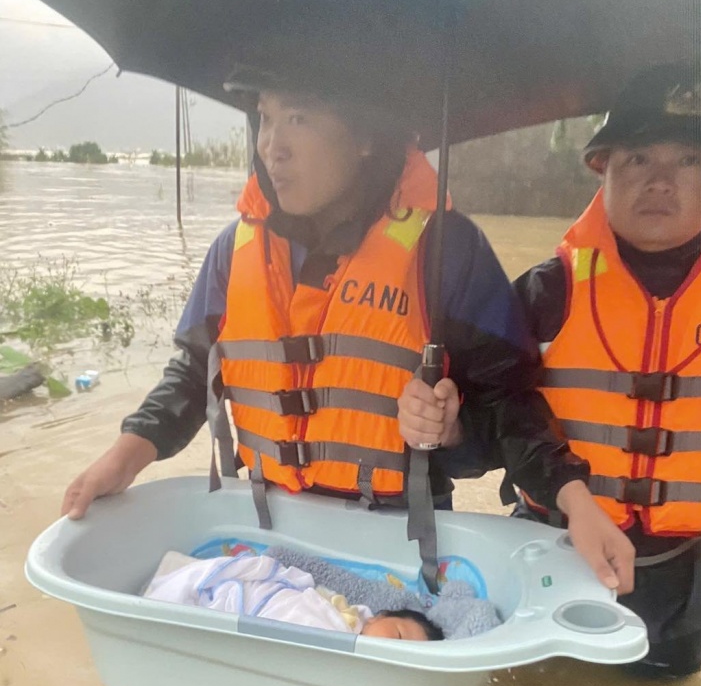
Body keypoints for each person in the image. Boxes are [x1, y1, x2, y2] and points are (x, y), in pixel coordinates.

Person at [62, 80, 633, 592]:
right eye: (266, 118)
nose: (272, 146)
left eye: (300, 118)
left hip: (396, 551)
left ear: (363, 136)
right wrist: (123, 458)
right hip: (264, 536)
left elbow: (507, 411)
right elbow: (191, 376)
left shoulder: (447, 251)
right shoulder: (232, 251)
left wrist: (457, 431)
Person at [401, 61, 701, 677]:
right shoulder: (541, 294)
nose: (660, 181)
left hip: (676, 593)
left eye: (687, 160)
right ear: (601, 166)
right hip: (543, 560)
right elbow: (482, 443)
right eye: (638, 158)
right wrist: (445, 429)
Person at [143, 549, 443, 640]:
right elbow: (308, 596)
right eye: (400, 636)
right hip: (259, 597)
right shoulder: (347, 615)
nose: (395, 646)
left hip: (263, 619)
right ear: (380, 616)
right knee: (218, 586)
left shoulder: (349, 639)